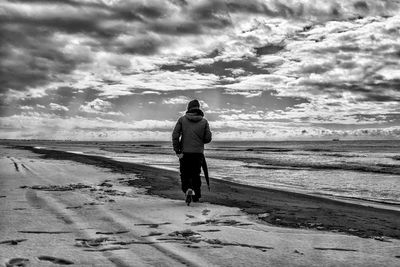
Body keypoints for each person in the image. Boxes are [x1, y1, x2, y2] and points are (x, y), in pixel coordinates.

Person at [172, 99, 212, 205]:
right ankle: (196, 196)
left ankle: (187, 189)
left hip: (184, 153)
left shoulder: (182, 120)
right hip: (198, 153)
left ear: (188, 108)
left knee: (185, 174)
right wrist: (200, 138)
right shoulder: (204, 121)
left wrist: (177, 150)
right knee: (196, 174)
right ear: (198, 108)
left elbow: (175, 135)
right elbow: (208, 138)